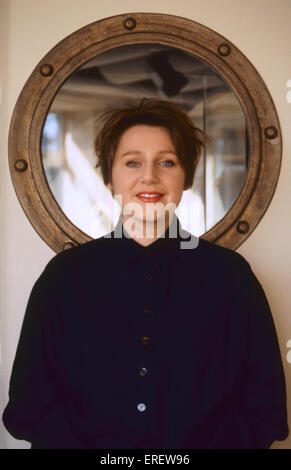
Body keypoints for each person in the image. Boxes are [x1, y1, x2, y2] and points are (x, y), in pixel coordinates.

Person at [2, 98, 289, 449]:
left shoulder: (232, 279)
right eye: (132, 162)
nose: (149, 176)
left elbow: (265, 412)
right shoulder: (63, 278)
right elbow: (28, 411)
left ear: (187, 176)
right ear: (109, 177)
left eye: (166, 162)